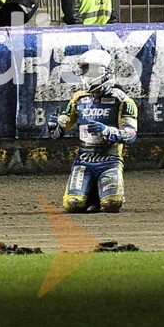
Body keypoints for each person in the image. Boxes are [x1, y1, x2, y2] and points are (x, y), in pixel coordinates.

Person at [48, 49, 138, 213]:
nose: (88, 74)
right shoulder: (78, 98)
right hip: (83, 160)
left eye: (93, 70)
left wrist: (107, 131)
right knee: (72, 204)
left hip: (110, 160)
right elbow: (58, 133)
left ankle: (102, 193)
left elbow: (131, 134)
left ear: (106, 71)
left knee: (112, 203)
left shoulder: (122, 100)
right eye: (85, 70)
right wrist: (54, 126)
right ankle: (89, 193)